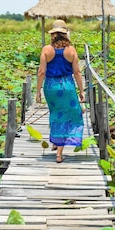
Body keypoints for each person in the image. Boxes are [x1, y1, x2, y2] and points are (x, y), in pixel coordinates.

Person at [36, 19, 85, 163]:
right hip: (67, 86)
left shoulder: (46, 50)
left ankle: (56, 142)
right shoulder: (71, 50)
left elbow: (41, 72)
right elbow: (77, 72)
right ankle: (59, 152)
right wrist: (81, 91)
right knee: (69, 115)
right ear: (65, 34)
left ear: (53, 34)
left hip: (51, 87)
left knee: (55, 113)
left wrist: (38, 91)